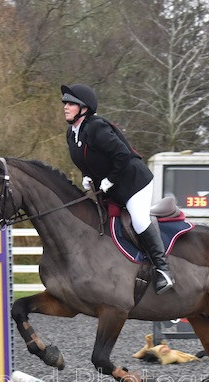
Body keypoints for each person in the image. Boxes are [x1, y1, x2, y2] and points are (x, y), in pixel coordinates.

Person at [60, 83, 174, 294]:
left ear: (84, 108)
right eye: (65, 103)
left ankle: (163, 270)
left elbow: (122, 154)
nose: (65, 106)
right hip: (111, 188)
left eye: (70, 104)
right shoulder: (72, 133)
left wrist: (110, 179)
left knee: (139, 220)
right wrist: (87, 176)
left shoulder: (96, 127)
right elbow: (88, 161)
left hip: (133, 182)